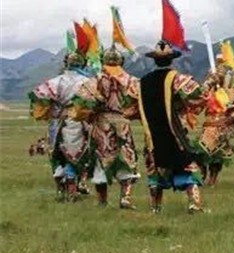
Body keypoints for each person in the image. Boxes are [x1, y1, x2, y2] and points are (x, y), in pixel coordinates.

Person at [139, 40, 208, 214]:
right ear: (172, 60)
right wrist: (210, 83)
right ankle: (194, 204)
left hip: (152, 133)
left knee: (155, 169)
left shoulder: (142, 82)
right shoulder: (178, 79)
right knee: (185, 165)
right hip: (175, 131)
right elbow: (198, 97)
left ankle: (155, 207)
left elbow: (130, 109)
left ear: (155, 60)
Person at [72, 45, 141, 209]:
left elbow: (82, 102)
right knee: (126, 158)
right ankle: (125, 198)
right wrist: (129, 113)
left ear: (104, 60)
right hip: (122, 123)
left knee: (100, 160)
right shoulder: (132, 80)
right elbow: (139, 103)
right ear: (121, 61)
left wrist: (90, 115)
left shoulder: (95, 80)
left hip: (101, 123)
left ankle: (102, 201)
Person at [29, 48, 91, 202]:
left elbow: (38, 96)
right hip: (77, 122)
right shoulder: (88, 82)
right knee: (75, 155)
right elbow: (95, 101)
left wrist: (50, 111)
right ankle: (72, 192)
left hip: (57, 122)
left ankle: (60, 190)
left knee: (56, 155)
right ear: (82, 64)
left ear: (67, 63)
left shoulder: (56, 81)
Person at [196, 57, 234, 186]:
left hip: (221, 124)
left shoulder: (229, 92)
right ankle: (203, 173)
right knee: (201, 151)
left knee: (217, 156)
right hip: (208, 124)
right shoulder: (209, 91)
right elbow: (200, 100)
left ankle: (213, 177)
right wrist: (208, 84)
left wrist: (229, 120)